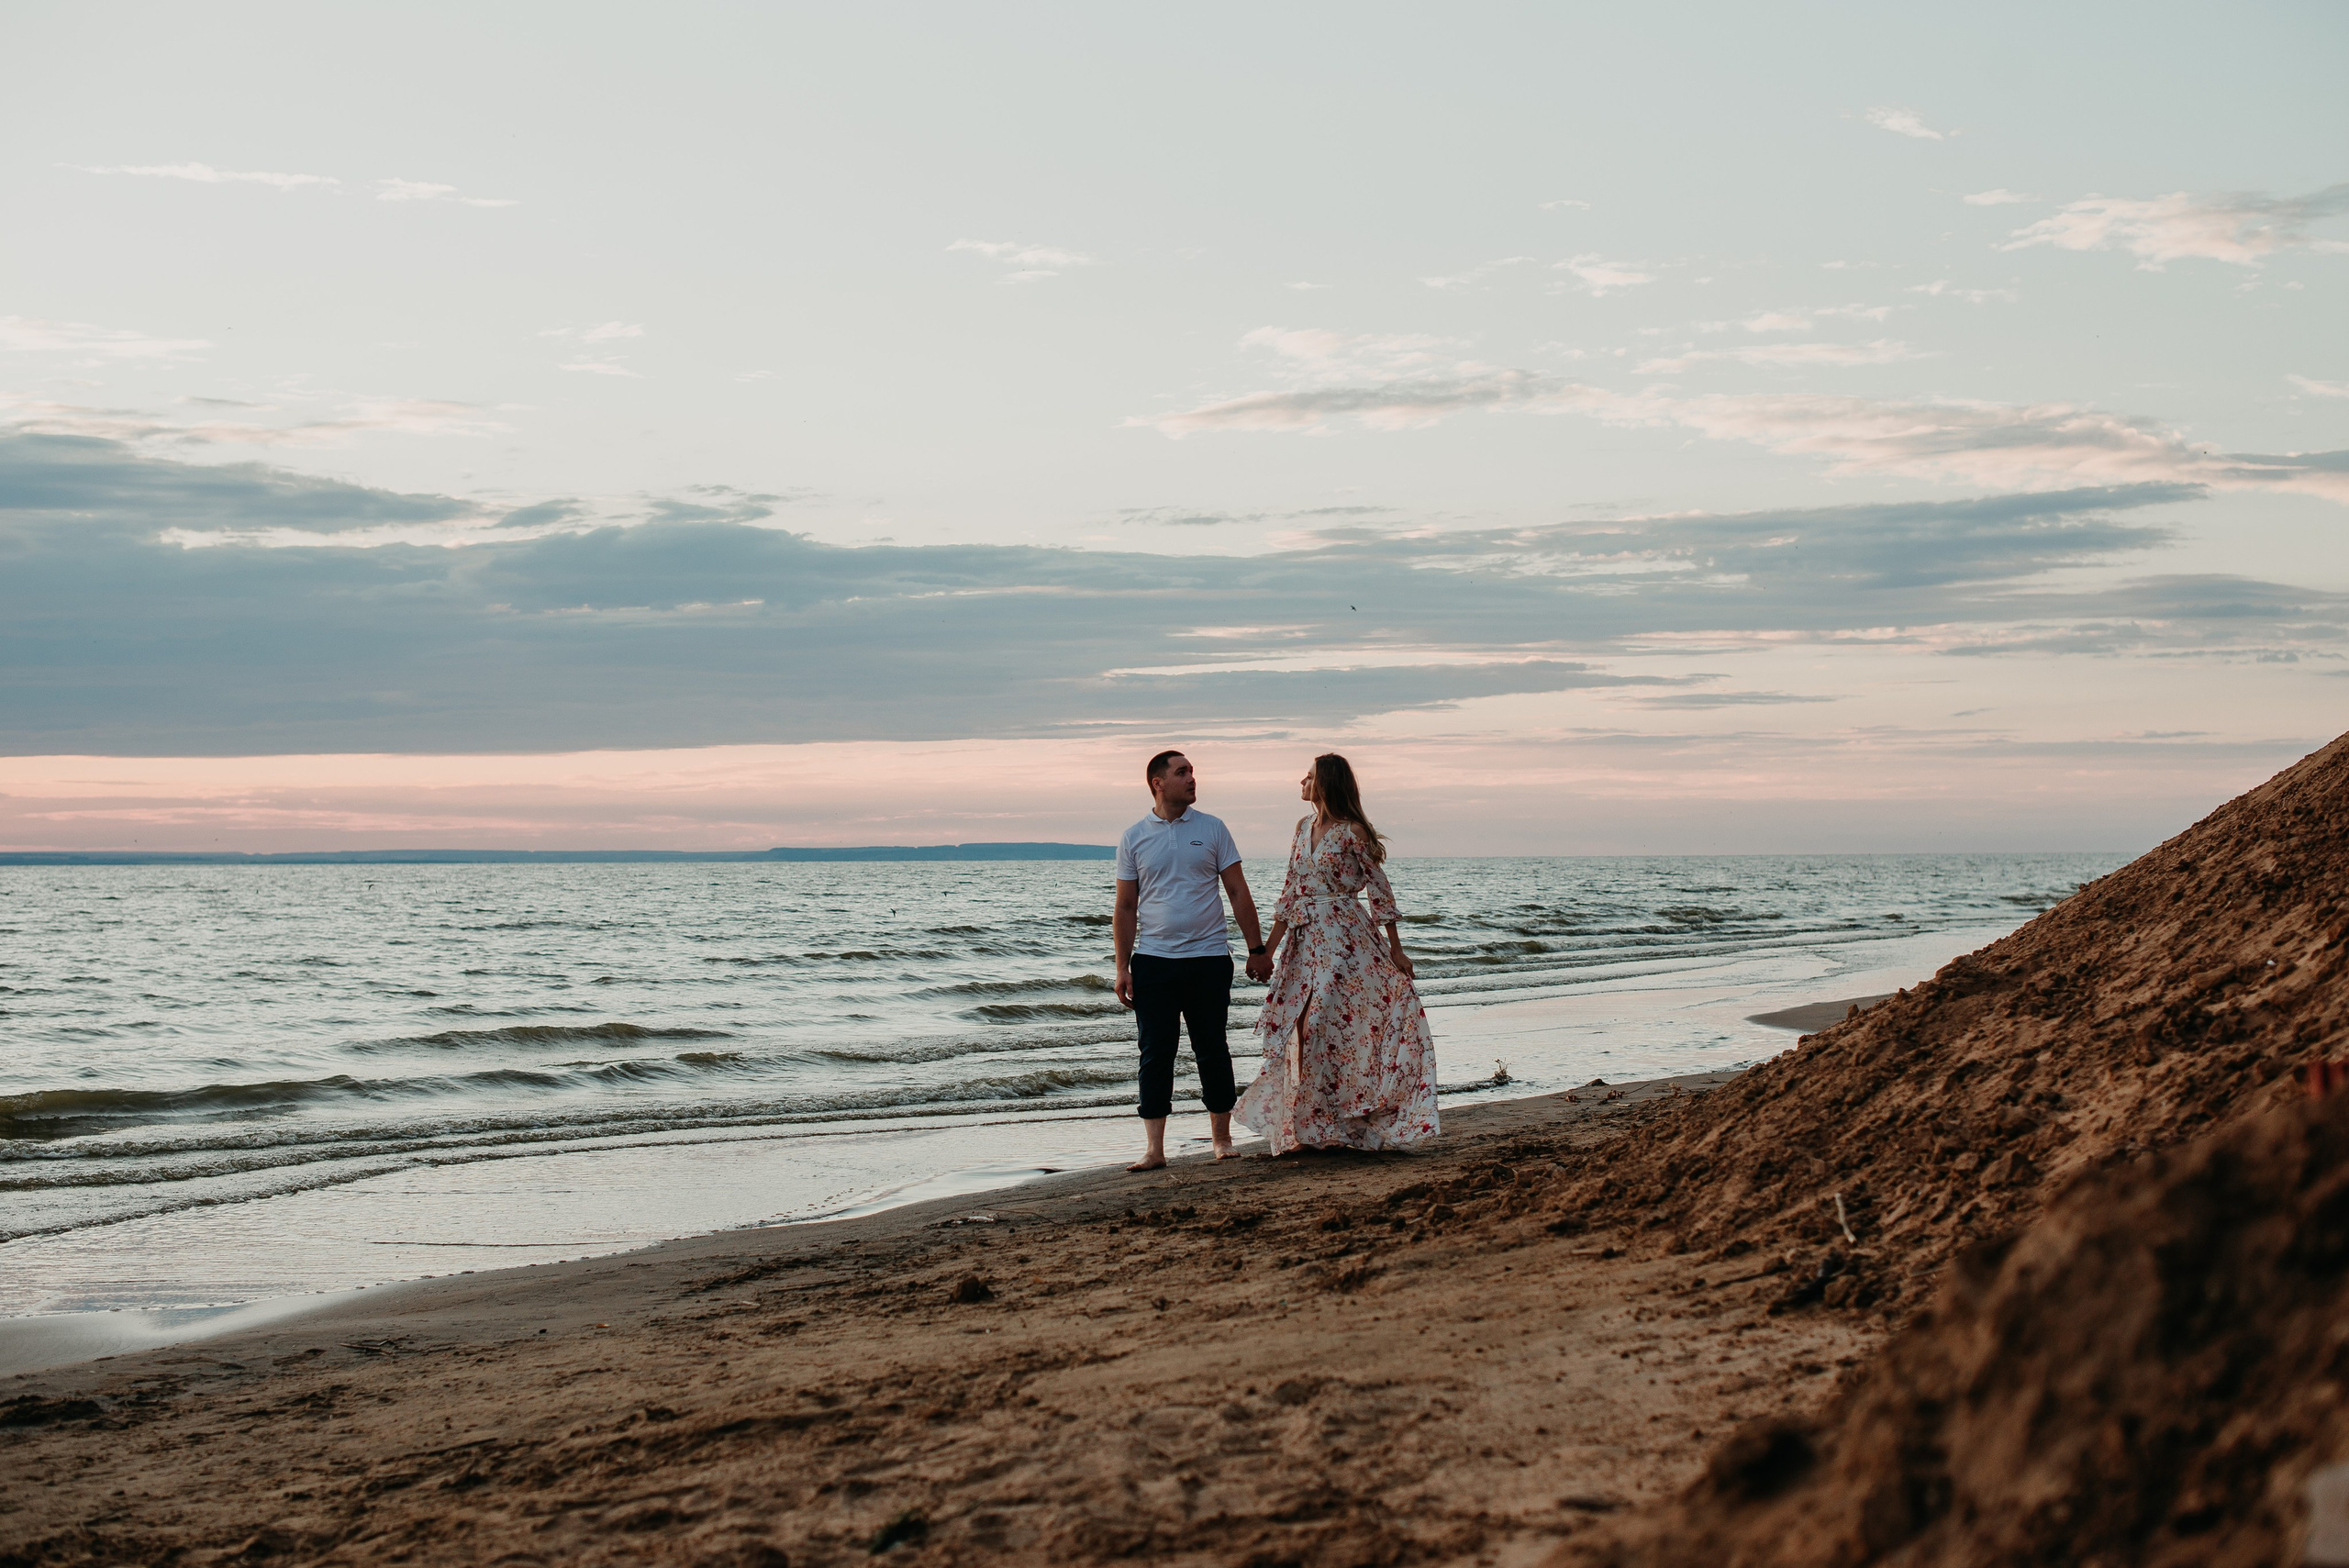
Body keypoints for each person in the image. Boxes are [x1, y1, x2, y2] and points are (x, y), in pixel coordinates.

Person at [1234, 752, 1439, 1155]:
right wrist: (1266, 952)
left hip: (1346, 940)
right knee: (1298, 1027)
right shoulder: (1301, 828)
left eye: (1308, 776)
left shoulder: (1353, 832)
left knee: (1325, 1027)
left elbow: (1379, 890)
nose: (1301, 781)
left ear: (1325, 782)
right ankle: (1308, 1129)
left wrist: (1397, 950)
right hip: (1304, 940)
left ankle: (1347, 1122)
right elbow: (1291, 892)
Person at [1113, 750, 1274, 1171]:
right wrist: (1121, 967)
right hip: (1154, 961)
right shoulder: (1134, 837)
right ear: (1157, 783)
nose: (1191, 779)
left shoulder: (1213, 829)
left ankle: (1221, 1139)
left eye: (1192, 772)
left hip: (1208, 958)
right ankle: (1154, 1150)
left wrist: (1256, 950)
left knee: (1212, 1049)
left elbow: (1238, 891)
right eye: (1181, 772)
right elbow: (1126, 906)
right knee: (1154, 1052)